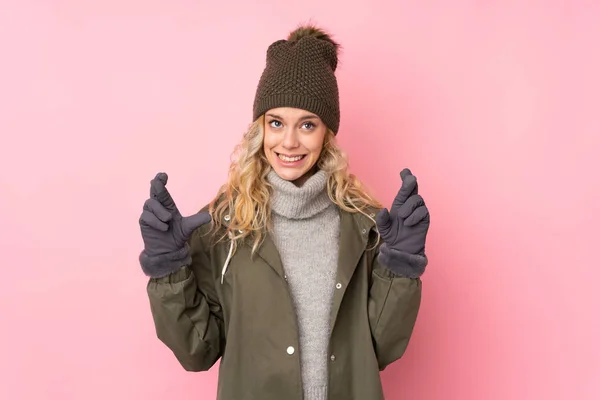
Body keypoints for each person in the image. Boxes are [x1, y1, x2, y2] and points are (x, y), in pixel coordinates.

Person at [138, 24, 430, 400]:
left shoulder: (366, 225)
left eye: (307, 124)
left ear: (327, 132)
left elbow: (384, 348)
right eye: (276, 123)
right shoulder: (225, 226)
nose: (289, 142)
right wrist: (168, 268)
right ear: (260, 128)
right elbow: (197, 352)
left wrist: (401, 266)